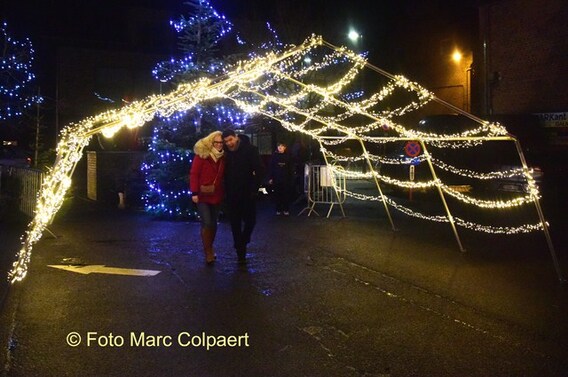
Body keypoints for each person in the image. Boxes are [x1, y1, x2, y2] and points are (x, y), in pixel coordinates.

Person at [221, 129, 264, 264]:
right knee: (235, 223)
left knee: (250, 221)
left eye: (230, 140)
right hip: (231, 193)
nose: (229, 143)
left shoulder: (250, 150)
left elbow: (259, 169)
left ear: (236, 137)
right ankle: (240, 252)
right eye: (226, 141)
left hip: (247, 193)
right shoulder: (226, 153)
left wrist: (254, 188)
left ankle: (243, 241)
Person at [190, 131, 225, 265]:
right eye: (216, 142)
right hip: (203, 195)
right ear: (211, 142)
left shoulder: (223, 158)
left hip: (216, 194)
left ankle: (210, 247)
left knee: (214, 224)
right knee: (207, 222)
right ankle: (208, 252)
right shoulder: (202, 156)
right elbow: (194, 174)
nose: (219, 145)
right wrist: (194, 192)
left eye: (221, 142)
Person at [268, 142, 294, 215]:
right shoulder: (274, 156)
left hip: (286, 178)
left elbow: (290, 168)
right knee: (277, 194)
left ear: (285, 147)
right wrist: (271, 178)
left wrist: (291, 178)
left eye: (282, 146)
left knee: (285, 194)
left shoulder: (288, 156)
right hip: (276, 178)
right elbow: (271, 167)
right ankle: (278, 209)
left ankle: (286, 209)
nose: (280, 147)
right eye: (279, 146)